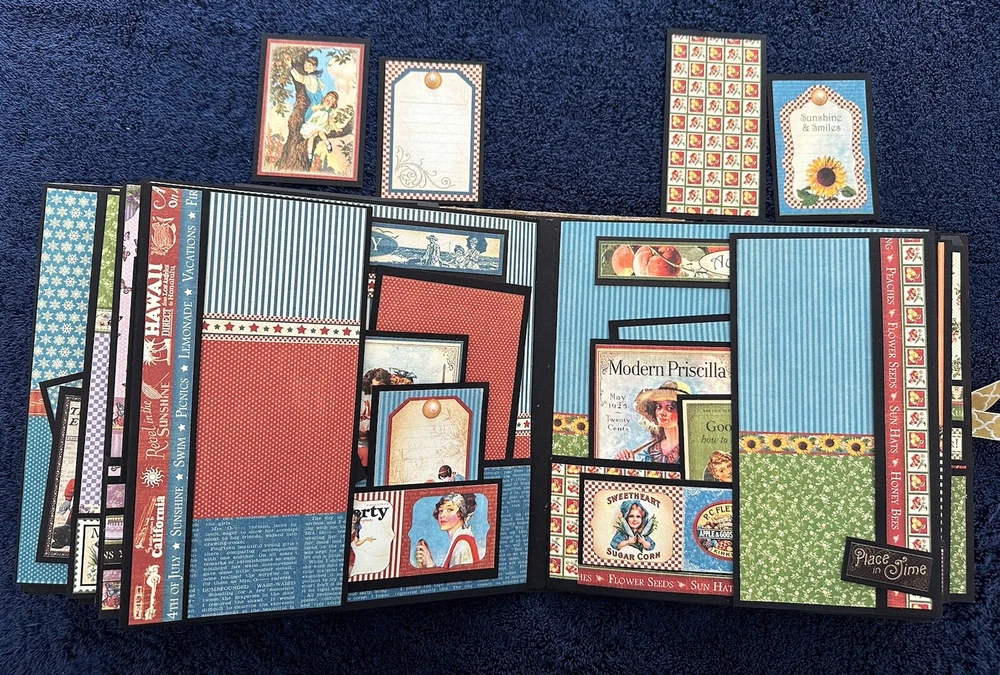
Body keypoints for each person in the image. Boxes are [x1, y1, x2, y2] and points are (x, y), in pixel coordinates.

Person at [614, 381, 691, 464]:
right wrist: (630, 464)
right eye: (659, 407)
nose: (662, 413)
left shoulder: (691, 448)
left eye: (670, 408)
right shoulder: (649, 452)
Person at [415, 492, 481, 568]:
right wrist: (429, 563)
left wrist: (430, 565)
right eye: (441, 511)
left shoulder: (462, 544)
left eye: (450, 509)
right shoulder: (459, 540)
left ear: (462, 513)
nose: (442, 515)